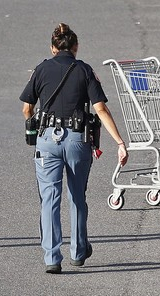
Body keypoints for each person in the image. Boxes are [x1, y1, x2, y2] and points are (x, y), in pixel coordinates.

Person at [20, 23, 128, 274]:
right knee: (77, 196)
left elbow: (27, 107)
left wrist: (34, 128)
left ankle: (51, 258)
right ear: (76, 47)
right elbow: (100, 109)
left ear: (52, 47)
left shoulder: (41, 69)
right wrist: (120, 143)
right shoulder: (85, 71)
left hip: (47, 140)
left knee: (49, 199)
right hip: (78, 140)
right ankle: (78, 252)